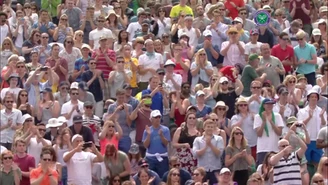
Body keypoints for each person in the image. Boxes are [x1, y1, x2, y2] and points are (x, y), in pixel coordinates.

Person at [192, 119, 224, 185]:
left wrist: (210, 144)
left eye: (211, 127)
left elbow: (219, 154)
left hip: (215, 169)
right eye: (208, 127)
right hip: (202, 171)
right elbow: (195, 154)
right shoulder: (198, 140)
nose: (210, 128)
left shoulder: (219, 139)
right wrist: (206, 146)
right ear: (204, 128)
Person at [254, 98, 284, 166]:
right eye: (268, 104)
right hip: (262, 148)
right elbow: (259, 134)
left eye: (271, 104)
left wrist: (271, 122)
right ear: (263, 105)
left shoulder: (277, 116)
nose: (270, 106)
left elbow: (279, 133)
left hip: (275, 148)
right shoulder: (258, 117)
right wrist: (264, 121)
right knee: (262, 168)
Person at [142, 110, 170, 178]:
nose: (158, 119)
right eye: (155, 117)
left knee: (163, 177)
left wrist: (161, 136)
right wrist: (148, 135)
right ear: (151, 119)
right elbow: (146, 146)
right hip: (150, 158)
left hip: (162, 158)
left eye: (159, 117)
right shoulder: (147, 130)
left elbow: (166, 144)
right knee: (151, 178)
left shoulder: (165, 129)